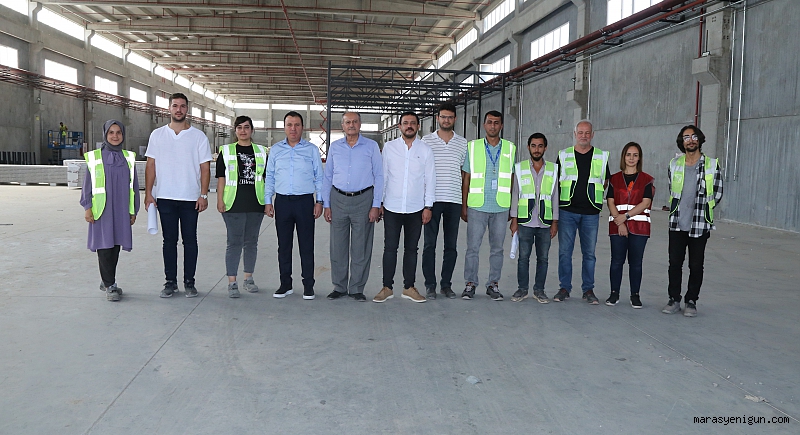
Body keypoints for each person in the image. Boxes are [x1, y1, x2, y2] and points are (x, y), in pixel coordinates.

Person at [145, 93, 212, 299]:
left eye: (182, 106)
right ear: (169, 108)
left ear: (187, 109)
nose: (179, 109)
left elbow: (205, 168)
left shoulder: (198, 137)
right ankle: (170, 282)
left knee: (190, 241)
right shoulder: (157, 135)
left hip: (190, 198)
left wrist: (203, 194)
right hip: (165, 197)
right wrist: (148, 193)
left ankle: (189, 282)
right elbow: (151, 165)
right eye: (175, 105)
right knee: (169, 241)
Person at [373, 112, 435, 303]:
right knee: (390, 248)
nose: (409, 126)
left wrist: (428, 206)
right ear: (399, 126)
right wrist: (379, 202)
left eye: (413, 123)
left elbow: (430, 179)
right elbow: (383, 176)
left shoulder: (425, 150)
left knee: (411, 249)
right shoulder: (390, 148)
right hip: (392, 206)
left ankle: (409, 287)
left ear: (418, 126)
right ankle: (387, 287)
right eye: (405, 123)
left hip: (416, 208)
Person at [322, 111, 383, 302]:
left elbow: (379, 176)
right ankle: (339, 287)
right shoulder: (335, 147)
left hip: (363, 200)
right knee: (337, 247)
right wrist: (326, 204)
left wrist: (376, 204)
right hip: (338, 199)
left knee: (361, 247)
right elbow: (328, 176)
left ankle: (356, 288)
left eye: (355, 121)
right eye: (347, 122)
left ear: (360, 124)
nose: (351, 125)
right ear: (342, 125)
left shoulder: (371, 146)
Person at [662, 125, 723, 317]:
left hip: (699, 223)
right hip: (677, 222)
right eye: (686, 137)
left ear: (700, 139)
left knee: (696, 265)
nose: (690, 140)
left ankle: (691, 301)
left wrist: (703, 210)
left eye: (694, 136)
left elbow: (718, 192)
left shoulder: (711, 165)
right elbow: (672, 188)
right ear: (682, 141)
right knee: (674, 263)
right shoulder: (675, 164)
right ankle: (674, 299)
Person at [264, 111, 324, 300]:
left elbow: (319, 177)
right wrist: (268, 201)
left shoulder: (311, 150)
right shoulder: (275, 150)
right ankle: (285, 284)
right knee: (284, 246)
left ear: (302, 128)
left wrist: (319, 201)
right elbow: (270, 176)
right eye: (289, 125)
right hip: (282, 202)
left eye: (297, 125)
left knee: (306, 246)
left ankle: (308, 285)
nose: (293, 129)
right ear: (284, 127)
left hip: (305, 202)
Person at [80, 120, 140, 302]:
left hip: (121, 209)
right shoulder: (95, 157)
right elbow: (88, 185)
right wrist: (87, 207)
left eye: (118, 132)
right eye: (111, 132)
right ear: (105, 135)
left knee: (115, 246)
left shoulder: (128, 158)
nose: (115, 136)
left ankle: (107, 280)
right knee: (104, 246)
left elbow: (133, 186)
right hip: (102, 210)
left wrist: (133, 210)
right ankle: (110, 285)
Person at [461, 111, 516, 301]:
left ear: (501, 126)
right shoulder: (473, 147)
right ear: (484, 125)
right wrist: (464, 205)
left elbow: (512, 179)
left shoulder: (510, 148)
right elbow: (466, 178)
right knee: (472, 248)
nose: (493, 126)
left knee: (497, 249)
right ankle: (470, 283)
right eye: (490, 122)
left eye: (496, 123)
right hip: (477, 205)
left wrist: (512, 207)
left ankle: (493, 284)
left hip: (501, 206)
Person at [553, 120, 610, 304]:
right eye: (580, 132)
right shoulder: (563, 155)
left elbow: (605, 181)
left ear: (592, 134)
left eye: (587, 133)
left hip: (591, 212)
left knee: (589, 254)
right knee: (565, 252)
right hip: (567, 211)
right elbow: (555, 182)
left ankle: (588, 290)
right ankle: (564, 288)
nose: (584, 136)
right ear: (575, 134)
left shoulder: (601, 156)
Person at [215, 115, 267, 298]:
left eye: (246, 127)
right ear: (235, 130)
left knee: (251, 242)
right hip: (233, 204)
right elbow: (221, 178)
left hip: (256, 203)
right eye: (239, 127)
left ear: (252, 130)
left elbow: (266, 178)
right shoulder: (227, 151)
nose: (243, 131)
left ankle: (248, 278)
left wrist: (268, 202)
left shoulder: (262, 151)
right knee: (234, 242)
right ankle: (232, 282)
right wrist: (220, 200)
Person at [421, 103, 468, 299]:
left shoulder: (463, 143)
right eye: (443, 117)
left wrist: (464, 203)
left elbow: (465, 175)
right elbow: (421, 172)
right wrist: (424, 202)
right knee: (429, 245)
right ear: (437, 118)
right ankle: (430, 285)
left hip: (454, 200)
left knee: (451, 246)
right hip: (432, 200)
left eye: (450, 117)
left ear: (455, 119)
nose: (446, 120)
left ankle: (446, 285)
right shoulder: (426, 141)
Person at [509, 133, 558, 303]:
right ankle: (522, 289)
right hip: (525, 221)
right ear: (528, 147)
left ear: (545, 148)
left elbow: (555, 196)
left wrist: (555, 222)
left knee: (543, 259)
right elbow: (515, 194)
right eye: (533, 146)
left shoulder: (552, 169)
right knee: (523, 258)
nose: (537, 149)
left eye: (540, 146)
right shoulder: (520, 167)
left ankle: (539, 290)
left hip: (545, 222)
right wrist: (514, 219)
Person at [605, 142, 654, 308]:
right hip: (617, 225)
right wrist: (619, 222)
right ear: (623, 157)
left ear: (639, 158)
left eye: (635, 155)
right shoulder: (614, 179)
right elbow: (610, 201)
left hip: (639, 227)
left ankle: (635, 295)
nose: (631, 158)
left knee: (636, 262)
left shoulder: (647, 179)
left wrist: (625, 217)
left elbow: (646, 202)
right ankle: (614, 293)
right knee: (616, 261)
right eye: (628, 155)